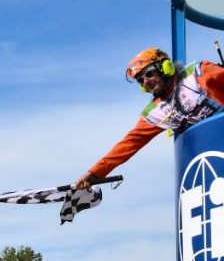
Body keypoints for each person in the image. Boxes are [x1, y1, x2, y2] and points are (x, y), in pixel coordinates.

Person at [74, 48, 224, 191]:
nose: (146, 81)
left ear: (165, 67)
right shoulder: (156, 111)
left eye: (149, 74)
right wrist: (94, 173)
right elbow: (129, 143)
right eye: (140, 80)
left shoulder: (198, 74)